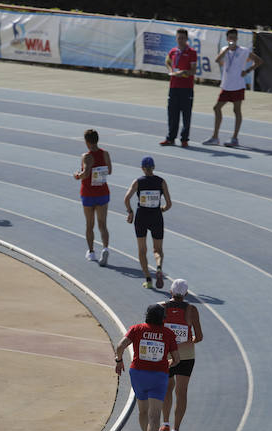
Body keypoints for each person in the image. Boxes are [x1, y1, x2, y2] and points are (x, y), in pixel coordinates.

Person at [115, 303, 180, 431]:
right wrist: (168, 363)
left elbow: (120, 346)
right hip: (158, 376)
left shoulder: (137, 329)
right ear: (163, 318)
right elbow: (177, 359)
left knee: (142, 411)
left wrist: (119, 361)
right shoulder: (168, 333)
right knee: (155, 415)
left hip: (138, 374)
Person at [158, 279, 203, 431]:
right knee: (181, 392)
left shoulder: (160, 307)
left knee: (167, 388)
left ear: (170, 292)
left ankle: (165, 424)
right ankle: (176, 430)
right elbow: (199, 337)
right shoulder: (192, 310)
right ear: (186, 294)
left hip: (167, 355)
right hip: (186, 356)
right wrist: (188, 339)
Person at [203, 29, 263, 147]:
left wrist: (247, 71)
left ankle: (234, 138)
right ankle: (215, 137)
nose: (232, 40)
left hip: (238, 86)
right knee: (216, 108)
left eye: (234, 38)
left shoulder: (243, 51)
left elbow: (259, 61)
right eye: (230, 38)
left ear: (237, 39)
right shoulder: (224, 50)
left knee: (236, 111)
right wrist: (225, 50)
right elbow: (217, 60)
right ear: (227, 39)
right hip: (226, 85)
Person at [122, 156, 171, 289]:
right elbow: (169, 204)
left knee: (142, 250)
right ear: (153, 167)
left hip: (141, 217)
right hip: (156, 216)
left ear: (142, 168)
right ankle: (159, 267)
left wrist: (130, 212)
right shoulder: (161, 182)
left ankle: (148, 279)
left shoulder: (138, 182)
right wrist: (162, 209)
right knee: (158, 249)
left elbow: (126, 199)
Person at [73, 129, 112, 266]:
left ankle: (91, 252)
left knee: (90, 224)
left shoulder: (86, 156)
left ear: (87, 142)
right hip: (102, 192)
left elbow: (86, 173)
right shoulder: (105, 154)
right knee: (103, 224)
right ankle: (105, 248)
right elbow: (110, 171)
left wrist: (77, 175)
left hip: (89, 194)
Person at [160, 29, 197, 148]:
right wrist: (171, 70)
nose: (180, 40)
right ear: (176, 38)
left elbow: (193, 70)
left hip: (186, 88)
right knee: (172, 113)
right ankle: (170, 138)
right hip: (174, 86)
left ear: (186, 39)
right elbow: (167, 61)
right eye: (178, 38)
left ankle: (184, 139)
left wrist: (184, 72)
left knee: (186, 114)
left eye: (183, 38)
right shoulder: (173, 51)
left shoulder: (191, 52)